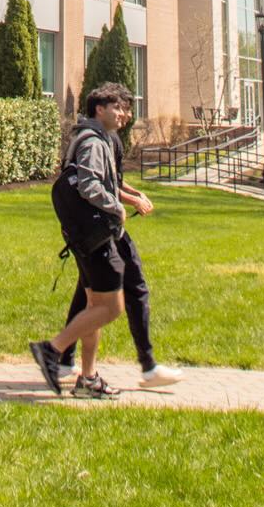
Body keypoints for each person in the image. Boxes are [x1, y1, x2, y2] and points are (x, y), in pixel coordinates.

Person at [30, 82, 182, 399]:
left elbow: (104, 182)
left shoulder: (97, 138)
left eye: (127, 109)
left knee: (94, 306)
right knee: (111, 308)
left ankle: (87, 378)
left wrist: (127, 197)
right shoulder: (93, 142)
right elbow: (89, 185)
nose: (124, 114)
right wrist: (117, 207)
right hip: (96, 235)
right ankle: (52, 350)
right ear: (100, 109)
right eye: (118, 108)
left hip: (89, 235)